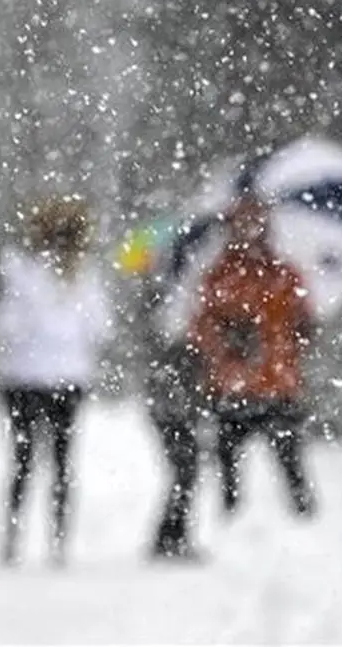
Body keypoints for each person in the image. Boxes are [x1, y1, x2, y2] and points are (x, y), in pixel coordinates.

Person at [0, 196, 112, 567]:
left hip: (65, 378)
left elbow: (101, 326)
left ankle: (56, 539)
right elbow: (3, 325)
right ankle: (15, 537)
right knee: (27, 461)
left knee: (56, 462)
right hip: (26, 378)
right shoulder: (20, 271)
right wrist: (37, 315)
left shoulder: (84, 277)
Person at [187, 169, 318, 520]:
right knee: (231, 478)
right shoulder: (219, 274)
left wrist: (295, 333)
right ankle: (233, 530)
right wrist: (227, 342)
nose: (249, 231)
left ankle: (306, 531)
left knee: (292, 471)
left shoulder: (284, 273)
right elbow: (201, 327)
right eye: (242, 225)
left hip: (277, 386)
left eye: (255, 223)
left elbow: (303, 323)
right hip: (234, 387)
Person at [141, 214, 220, 563]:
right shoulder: (169, 297)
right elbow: (166, 339)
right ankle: (169, 536)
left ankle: (172, 534)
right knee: (186, 466)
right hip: (172, 393)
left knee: (186, 467)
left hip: (179, 391)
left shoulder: (176, 293)